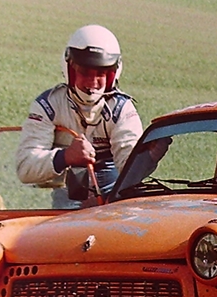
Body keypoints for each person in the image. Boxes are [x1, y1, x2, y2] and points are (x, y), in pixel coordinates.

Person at [16, 24, 143, 208]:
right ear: (70, 70)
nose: (92, 82)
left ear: (112, 74)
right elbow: (25, 167)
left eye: (101, 73)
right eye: (85, 72)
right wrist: (65, 156)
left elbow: (131, 168)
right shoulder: (49, 105)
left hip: (113, 204)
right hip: (64, 208)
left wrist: (148, 158)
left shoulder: (121, 109)